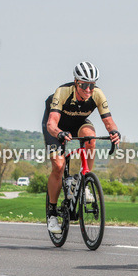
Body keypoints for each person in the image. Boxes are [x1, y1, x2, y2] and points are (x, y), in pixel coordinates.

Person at [42, 62, 120, 235]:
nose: (88, 89)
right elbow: (51, 123)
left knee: (90, 140)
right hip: (56, 125)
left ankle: (84, 181)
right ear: (76, 82)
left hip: (78, 123)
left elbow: (108, 121)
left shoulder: (97, 94)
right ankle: (52, 213)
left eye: (91, 85)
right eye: (84, 85)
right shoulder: (62, 92)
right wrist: (59, 133)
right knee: (58, 165)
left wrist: (114, 132)